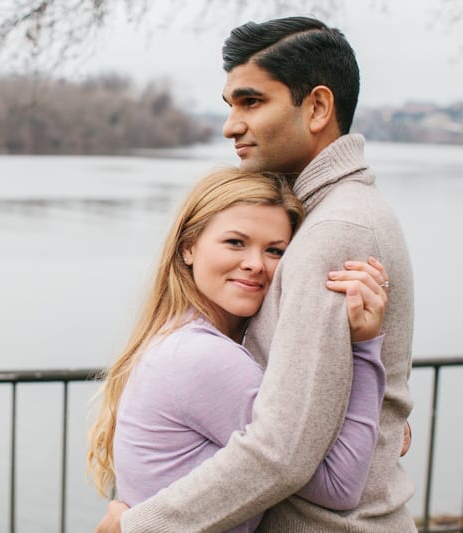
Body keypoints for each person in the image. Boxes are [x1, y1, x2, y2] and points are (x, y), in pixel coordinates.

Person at [96, 16, 415, 532]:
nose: (230, 126)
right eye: (230, 106)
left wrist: (137, 526)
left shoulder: (335, 229)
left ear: (316, 107)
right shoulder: (323, 215)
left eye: (251, 102)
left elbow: (281, 452)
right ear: (188, 249)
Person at [87, 167, 390, 532]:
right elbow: (339, 486)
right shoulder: (200, 357)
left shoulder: (176, 339)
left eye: (275, 250)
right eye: (235, 242)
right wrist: (364, 347)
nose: (254, 264)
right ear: (188, 247)